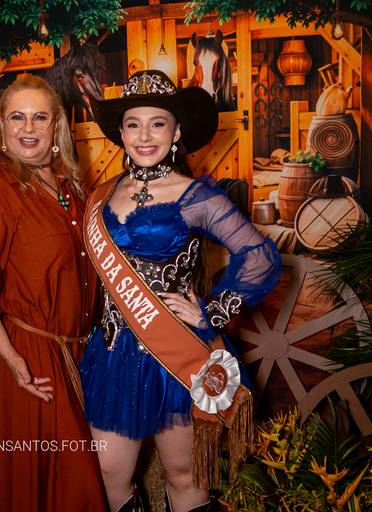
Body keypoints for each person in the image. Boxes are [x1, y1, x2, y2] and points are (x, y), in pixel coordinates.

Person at [80, 70, 281, 512]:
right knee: (109, 472)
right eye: (133, 124)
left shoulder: (195, 196)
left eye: (158, 123)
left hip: (175, 353)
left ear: (176, 133)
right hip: (113, 352)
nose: (144, 135)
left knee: (185, 473)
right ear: (121, 133)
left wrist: (213, 311)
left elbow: (260, 256)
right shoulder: (101, 194)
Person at [0, 74, 107, 512]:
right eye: (17, 117)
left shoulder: (72, 188)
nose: (28, 128)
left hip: (80, 352)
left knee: (80, 477)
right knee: (57, 484)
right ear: (2, 126)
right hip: (31, 355)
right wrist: (13, 359)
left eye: (40, 117)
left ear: (57, 125)